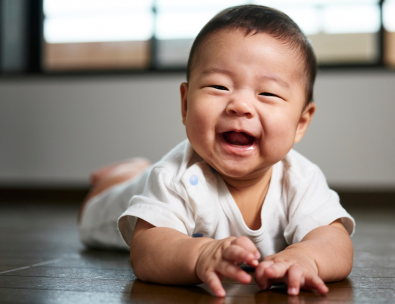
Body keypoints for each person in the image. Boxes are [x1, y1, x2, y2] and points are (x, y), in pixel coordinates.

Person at [78, 4, 355, 298]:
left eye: (268, 93)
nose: (240, 105)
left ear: (301, 122)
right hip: (119, 204)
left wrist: (306, 257)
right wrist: (200, 254)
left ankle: (136, 168)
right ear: (185, 104)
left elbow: (334, 240)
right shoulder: (174, 177)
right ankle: (123, 174)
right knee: (92, 210)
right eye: (219, 86)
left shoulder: (300, 178)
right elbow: (146, 250)